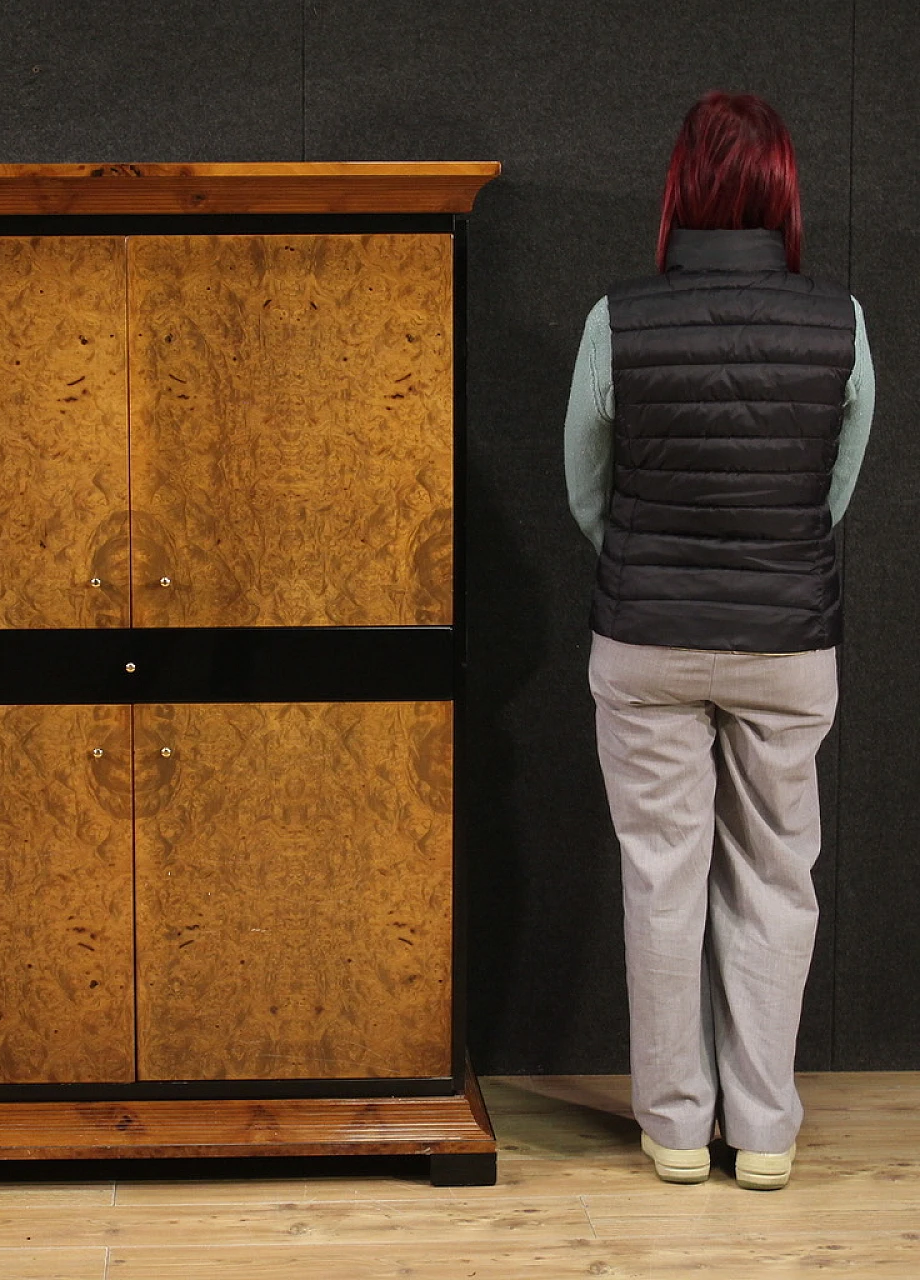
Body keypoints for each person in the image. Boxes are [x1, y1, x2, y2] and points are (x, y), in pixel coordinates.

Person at [564, 91, 875, 1191]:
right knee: (775, 878)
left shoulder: (618, 318)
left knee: (660, 878)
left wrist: (656, 554)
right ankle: (766, 1129)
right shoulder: (839, 321)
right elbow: (827, 494)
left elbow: (584, 491)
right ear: (781, 190)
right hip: (786, 639)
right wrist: (763, 553)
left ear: (678, 189)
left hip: (644, 635)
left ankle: (675, 1127)